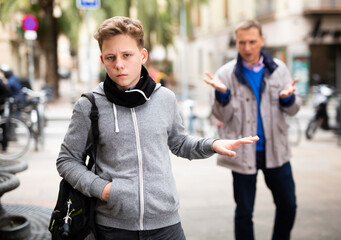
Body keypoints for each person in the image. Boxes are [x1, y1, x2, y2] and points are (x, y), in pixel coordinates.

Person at [56, 16, 259, 240]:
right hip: (113, 227)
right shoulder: (89, 105)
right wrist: (102, 189)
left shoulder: (165, 98)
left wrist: (213, 144)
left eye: (127, 55)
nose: (119, 64)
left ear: (142, 56)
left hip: (166, 225)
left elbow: (179, 142)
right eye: (111, 57)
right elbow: (67, 160)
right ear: (102, 60)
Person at [204, 19, 301, 240]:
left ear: (262, 41)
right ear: (236, 43)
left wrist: (288, 99)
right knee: (244, 212)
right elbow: (221, 116)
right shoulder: (226, 74)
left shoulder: (279, 70)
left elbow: (294, 110)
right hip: (243, 152)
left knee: (289, 205)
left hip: (276, 151)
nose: (247, 48)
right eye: (241, 42)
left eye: (252, 42)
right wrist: (223, 96)